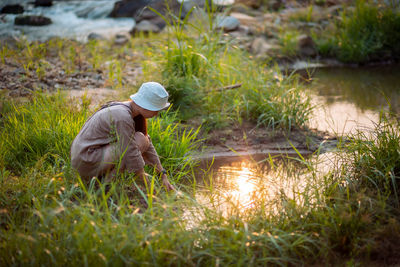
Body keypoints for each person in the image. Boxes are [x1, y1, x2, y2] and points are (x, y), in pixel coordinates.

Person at [70, 81, 175, 191]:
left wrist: (163, 176)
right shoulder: (122, 116)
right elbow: (131, 152)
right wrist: (147, 186)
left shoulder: (131, 110)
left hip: (90, 156)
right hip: (86, 159)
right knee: (137, 141)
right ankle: (106, 185)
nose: (157, 114)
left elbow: (148, 144)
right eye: (156, 110)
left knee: (142, 139)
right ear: (146, 106)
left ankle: (105, 181)